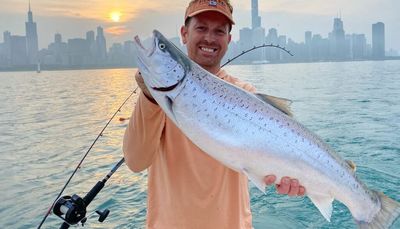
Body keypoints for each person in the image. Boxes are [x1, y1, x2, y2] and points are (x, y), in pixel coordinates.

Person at [123, 0, 305, 228]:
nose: (209, 38)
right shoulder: (155, 98)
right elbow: (135, 162)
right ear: (184, 33)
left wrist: (293, 176)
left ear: (228, 40)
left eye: (219, 31)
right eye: (201, 28)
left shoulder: (245, 95)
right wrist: (149, 97)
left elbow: (270, 156)